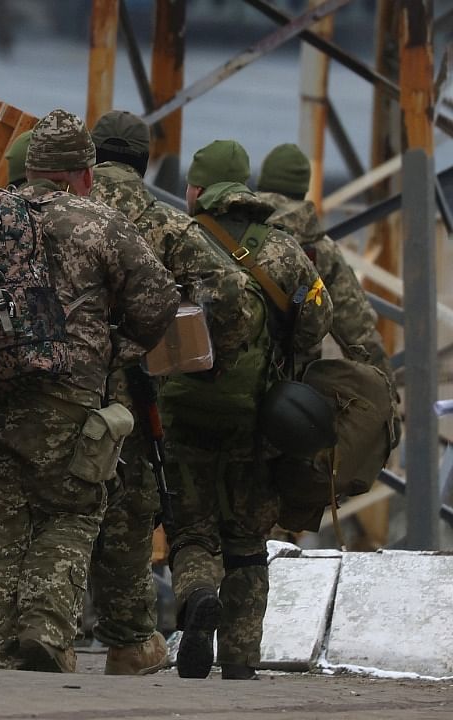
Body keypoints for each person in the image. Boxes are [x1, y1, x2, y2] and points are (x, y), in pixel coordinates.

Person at [0, 109, 178, 673]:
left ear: (30, 168)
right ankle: (45, 630)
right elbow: (157, 302)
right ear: (85, 172)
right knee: (70, 508)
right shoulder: (98, 221)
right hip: (67, 395)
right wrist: (119, 347)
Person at [87, 111, 261, 675]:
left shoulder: (51, 214)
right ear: (146, 161)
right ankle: (128, 642)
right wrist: (197, 360)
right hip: (134, 394)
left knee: (50, 510)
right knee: (130, 514)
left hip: (51, 382)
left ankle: (31, 636)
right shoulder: (163, 223)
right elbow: (233, 298)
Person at [163, 140, 332, 680]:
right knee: (246, 541)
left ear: (198, 189)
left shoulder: (174, 239)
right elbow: (316, 322)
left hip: (184, 412)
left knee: (191, 530)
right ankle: (240, 657)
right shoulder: (285, 250)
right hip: (257, 419)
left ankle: (196, 598)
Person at [255, 144, 393, 382]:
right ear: (302, 190)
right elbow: (358, 333)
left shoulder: (228, 227)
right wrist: (386, 396)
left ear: (262, 183)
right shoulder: (319, 248)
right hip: (288, 394)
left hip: (216, 386)